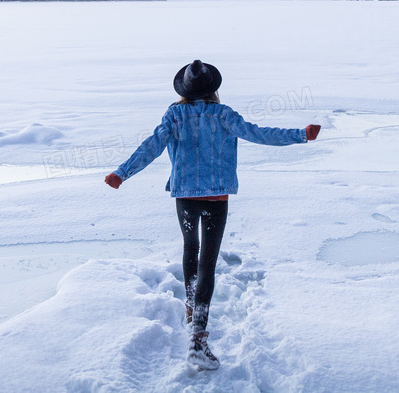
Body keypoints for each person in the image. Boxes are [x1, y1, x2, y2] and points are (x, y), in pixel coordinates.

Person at [104, 59, 320, 370]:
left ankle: (192, 311)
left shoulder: (174, 115)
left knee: (190, 250)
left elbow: (151, 145)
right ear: (213, 89)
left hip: (186, 195)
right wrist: (301, 134)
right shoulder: (223, 115)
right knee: (208, 260)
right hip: (216, 196)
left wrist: (122, 173)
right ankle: (197, 339)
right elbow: (260, 134)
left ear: (185, 90)